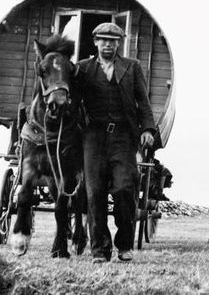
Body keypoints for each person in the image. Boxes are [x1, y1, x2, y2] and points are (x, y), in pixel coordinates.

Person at [76, 22, 157, 263]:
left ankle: (124, 245)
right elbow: (72, 102)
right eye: (103, 40)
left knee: (124, 189)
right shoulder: (82, 69)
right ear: (95, 42)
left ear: (119, 43)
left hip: (123, 137)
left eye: (113, 41)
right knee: (95, 193)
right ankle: (100, 250)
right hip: (93, 138)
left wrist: (148, 129)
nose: (108, 44)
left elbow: (143, 101)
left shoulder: (132, 67)